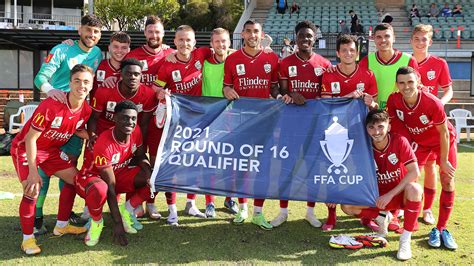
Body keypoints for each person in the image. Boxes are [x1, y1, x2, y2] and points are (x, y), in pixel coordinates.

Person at [11, 64, 94, 255]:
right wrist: (33, 172)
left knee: (75, 181)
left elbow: (74, 128)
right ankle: (27, 239)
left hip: (51, 152)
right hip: (26, 148)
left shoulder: (86, 110)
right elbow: (31, 138)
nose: (82, 85)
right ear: (70, 83)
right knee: (33, 188)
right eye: (77, 81)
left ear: (91, 85)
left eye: (86, 82)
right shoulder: (51, 104)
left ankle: (62, 225)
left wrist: (91, 137)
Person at [32, 14, 102, 234]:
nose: (92, 35)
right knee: (43, 172)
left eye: (97, 32)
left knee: (69, 170)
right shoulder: (62, 49)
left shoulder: (97, 53)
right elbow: (40, 77)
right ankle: (37, 216)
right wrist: (51, 91)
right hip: (54, 117)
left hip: (77, 119)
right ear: (80, 30)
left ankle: (64, 216)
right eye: (88, 30)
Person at [60, 100, 153, 246]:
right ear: (115, 118)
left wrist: (149, 174)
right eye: (125, 118)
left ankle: (127, 211)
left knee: (156, 177)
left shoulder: (136, 131)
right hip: (90, 178)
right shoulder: (104, 142)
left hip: (117, 173)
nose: (130, 122)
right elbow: (110, 186)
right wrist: (117, 224)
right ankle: (97, 222)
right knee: (100, 188)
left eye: (133, 118)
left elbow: (141, 156)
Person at [387, 66, 458, 250]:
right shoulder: (394, 100)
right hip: (420, 143)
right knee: (410, 179)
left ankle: (441, 227)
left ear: (418, 81)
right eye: (401, 83)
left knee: (447, 180)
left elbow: (443, 132)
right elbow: (397, 125)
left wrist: (443, 160)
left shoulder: (432, 102)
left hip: (443, 141)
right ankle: (406, 219)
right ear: (397, 84)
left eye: (410, 82)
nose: (406, 86)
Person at [271, 20, 331, 228]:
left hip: (314, 126)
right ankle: (283, 211)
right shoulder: (285, 63)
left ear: (314, 38)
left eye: (309, 36)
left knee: (312, 168)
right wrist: (289, 94)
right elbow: (279, 90)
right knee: (286, 167)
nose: (305, 39)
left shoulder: (324, 64)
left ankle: (310, 212)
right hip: (290, 124)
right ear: (295, 38)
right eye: (301, 35)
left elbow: (328, 95)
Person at [341, 109, 422, 261]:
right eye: (371, 127)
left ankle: (405, 240)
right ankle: (381, 217)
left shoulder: (399, 141)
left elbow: (414, 172)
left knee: (415, 188)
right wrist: (336, 193)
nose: (376, 131)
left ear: (388, 127)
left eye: (380, 127)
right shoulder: (363, 146)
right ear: (366, 129)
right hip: (375, 197)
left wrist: (390, 194)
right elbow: (351, 175)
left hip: (397, 195)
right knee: (346, 205)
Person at [223, 19, 279, 230]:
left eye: (256, 32)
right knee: (242, 167)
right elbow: (226, 87)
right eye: (249, 32)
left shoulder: (271, 57)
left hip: (265, 121)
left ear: (261, 34)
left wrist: (279, 95)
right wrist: (227, 91)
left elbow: (274, 87)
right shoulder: (232, 59)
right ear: (243, 35)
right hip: (240, 122)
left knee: (262, 168)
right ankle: (243, 208)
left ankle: (258, 212)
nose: (252, 35)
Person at [154, 25, 214, 223]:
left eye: (188, 40)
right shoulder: (168, 64)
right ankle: (172, 210)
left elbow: (223, 50)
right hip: (177, 123)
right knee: (173, 165)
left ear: (195, 42)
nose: (184, 43)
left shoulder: (202, 54)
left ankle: (191, 204)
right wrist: (162, 94)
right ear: (175, 42)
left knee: (194, 164)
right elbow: (156, 87)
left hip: (199, 121)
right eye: (180, 40)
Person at [319, 34, 378, 231]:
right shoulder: (328, 74)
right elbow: (325, 105)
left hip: (361, 134)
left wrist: (372, 103)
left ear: (357, 52)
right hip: (336, 134)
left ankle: (367, 216)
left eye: (352, 50)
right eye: (344, 50)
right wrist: (348, 97)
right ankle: (331, 216)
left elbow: (375, 108)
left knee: (362, 174)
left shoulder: (368, 75)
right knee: (333, 175)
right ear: (337, 53)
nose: (348, 53)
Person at [125, 15, 173, 220]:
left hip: (162, 120)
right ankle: (133, 203)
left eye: (158, 32)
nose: (154, 35)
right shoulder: (134, 55)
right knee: (133, 160)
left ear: (163, 33)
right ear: (145, 33)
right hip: (136, 119)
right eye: (150, 31)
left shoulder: (172, 54)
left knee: (158, 163)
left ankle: (151, 202)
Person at [411, 24, 454, 225]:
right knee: (411, 169)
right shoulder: (405, 62)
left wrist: (439, 104)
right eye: (417, 38)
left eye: (424, 39)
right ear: (411, 40)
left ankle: (427, 209)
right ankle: (407, 207)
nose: (421, 43)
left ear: (430, 41)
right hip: (412, 125)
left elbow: (448, 91)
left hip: (433, 125)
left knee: (431, 167)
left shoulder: (439, 63)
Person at [201, 27, 240, 216]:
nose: (220, 44)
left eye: (224, 41)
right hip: (210, 118)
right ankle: (209, 203)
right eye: (217, 41)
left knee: (231, 161)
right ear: (211, 44)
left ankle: (229, 198)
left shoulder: (235, 60)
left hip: (232, 118)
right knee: (211, 162)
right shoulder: (204, 62)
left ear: (229, 43)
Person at [358, 23, 418, 110]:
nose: (383, 40)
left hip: (401, 114)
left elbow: (416, 87)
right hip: (375, 115)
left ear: (394, 38)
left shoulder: (409, 60)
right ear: (373, 39)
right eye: (379, 37)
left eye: (387, 36)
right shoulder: (366, 61)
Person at [92, 31, 131, 99]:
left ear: (129, 50)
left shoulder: (131, 70)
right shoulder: (97, 65)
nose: (119, 50)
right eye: (115, 47)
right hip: (96, 108)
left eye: (124, 48)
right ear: (109, 48)